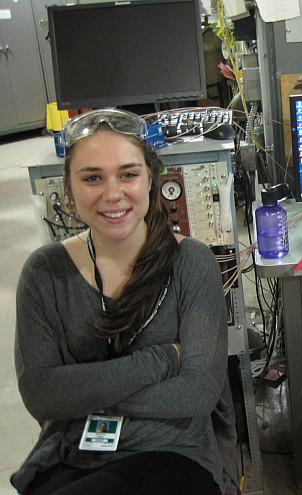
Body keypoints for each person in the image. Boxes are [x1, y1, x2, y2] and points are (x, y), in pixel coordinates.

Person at [12, 109, 239, 495]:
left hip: (171, 451)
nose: (113, 193)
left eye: (128, 174)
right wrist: (164, 358)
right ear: (69, 187)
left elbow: (198, 391)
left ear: (151, 180)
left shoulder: (192, 262)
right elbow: (41, 394)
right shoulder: (45, 272)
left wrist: (82, 396)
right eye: (92, 178)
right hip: (70, 453)